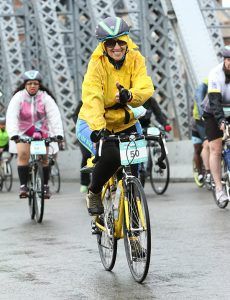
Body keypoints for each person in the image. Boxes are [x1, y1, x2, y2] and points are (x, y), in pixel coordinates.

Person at [76, 16, 154, 216]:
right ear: (103, 45)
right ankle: (93, 192)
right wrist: (98, 129)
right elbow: (92, 98)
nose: (117, 47)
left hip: (124, 121)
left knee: (134, 166)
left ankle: (133, 219)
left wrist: (130, 95)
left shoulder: (136, 59)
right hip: (93, 122)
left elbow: (144, 86)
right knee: (110, 155)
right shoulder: (96, 65)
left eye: (121, 41)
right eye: (110, 43)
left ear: (127, 41)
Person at [6, 70, 64, 199]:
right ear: (25, 85)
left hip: (41, 132)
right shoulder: (18, 97)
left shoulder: (45, 97)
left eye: (35, 83)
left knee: (44, 158)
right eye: (30, 83)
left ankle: (44, 186)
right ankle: (23, 186)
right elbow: (11, 116)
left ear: (39, 85)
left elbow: (54, 116)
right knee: (23, 154)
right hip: (23, 132)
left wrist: (59, 133)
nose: (33, 86)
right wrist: (14, 134)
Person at [202, 45, 230, 204]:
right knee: (216, 148)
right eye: (228, 60)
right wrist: (221, 121)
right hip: (213, 112)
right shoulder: (215, 73)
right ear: (224, 60)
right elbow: (214, 102)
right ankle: (219, 188)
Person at [191, 79, 210, 184]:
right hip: (198, 122)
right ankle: (200, 173)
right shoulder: (202, 87)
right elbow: (199, 103)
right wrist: (204, 116)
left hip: (210, 120)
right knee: (199, 148)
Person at [72, 100, 91, 193]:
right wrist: (82, 125)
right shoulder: (84, 100)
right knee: (86, 155)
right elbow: (75, 115)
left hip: (100, 130)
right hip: (85, 132)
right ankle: (84, 182)